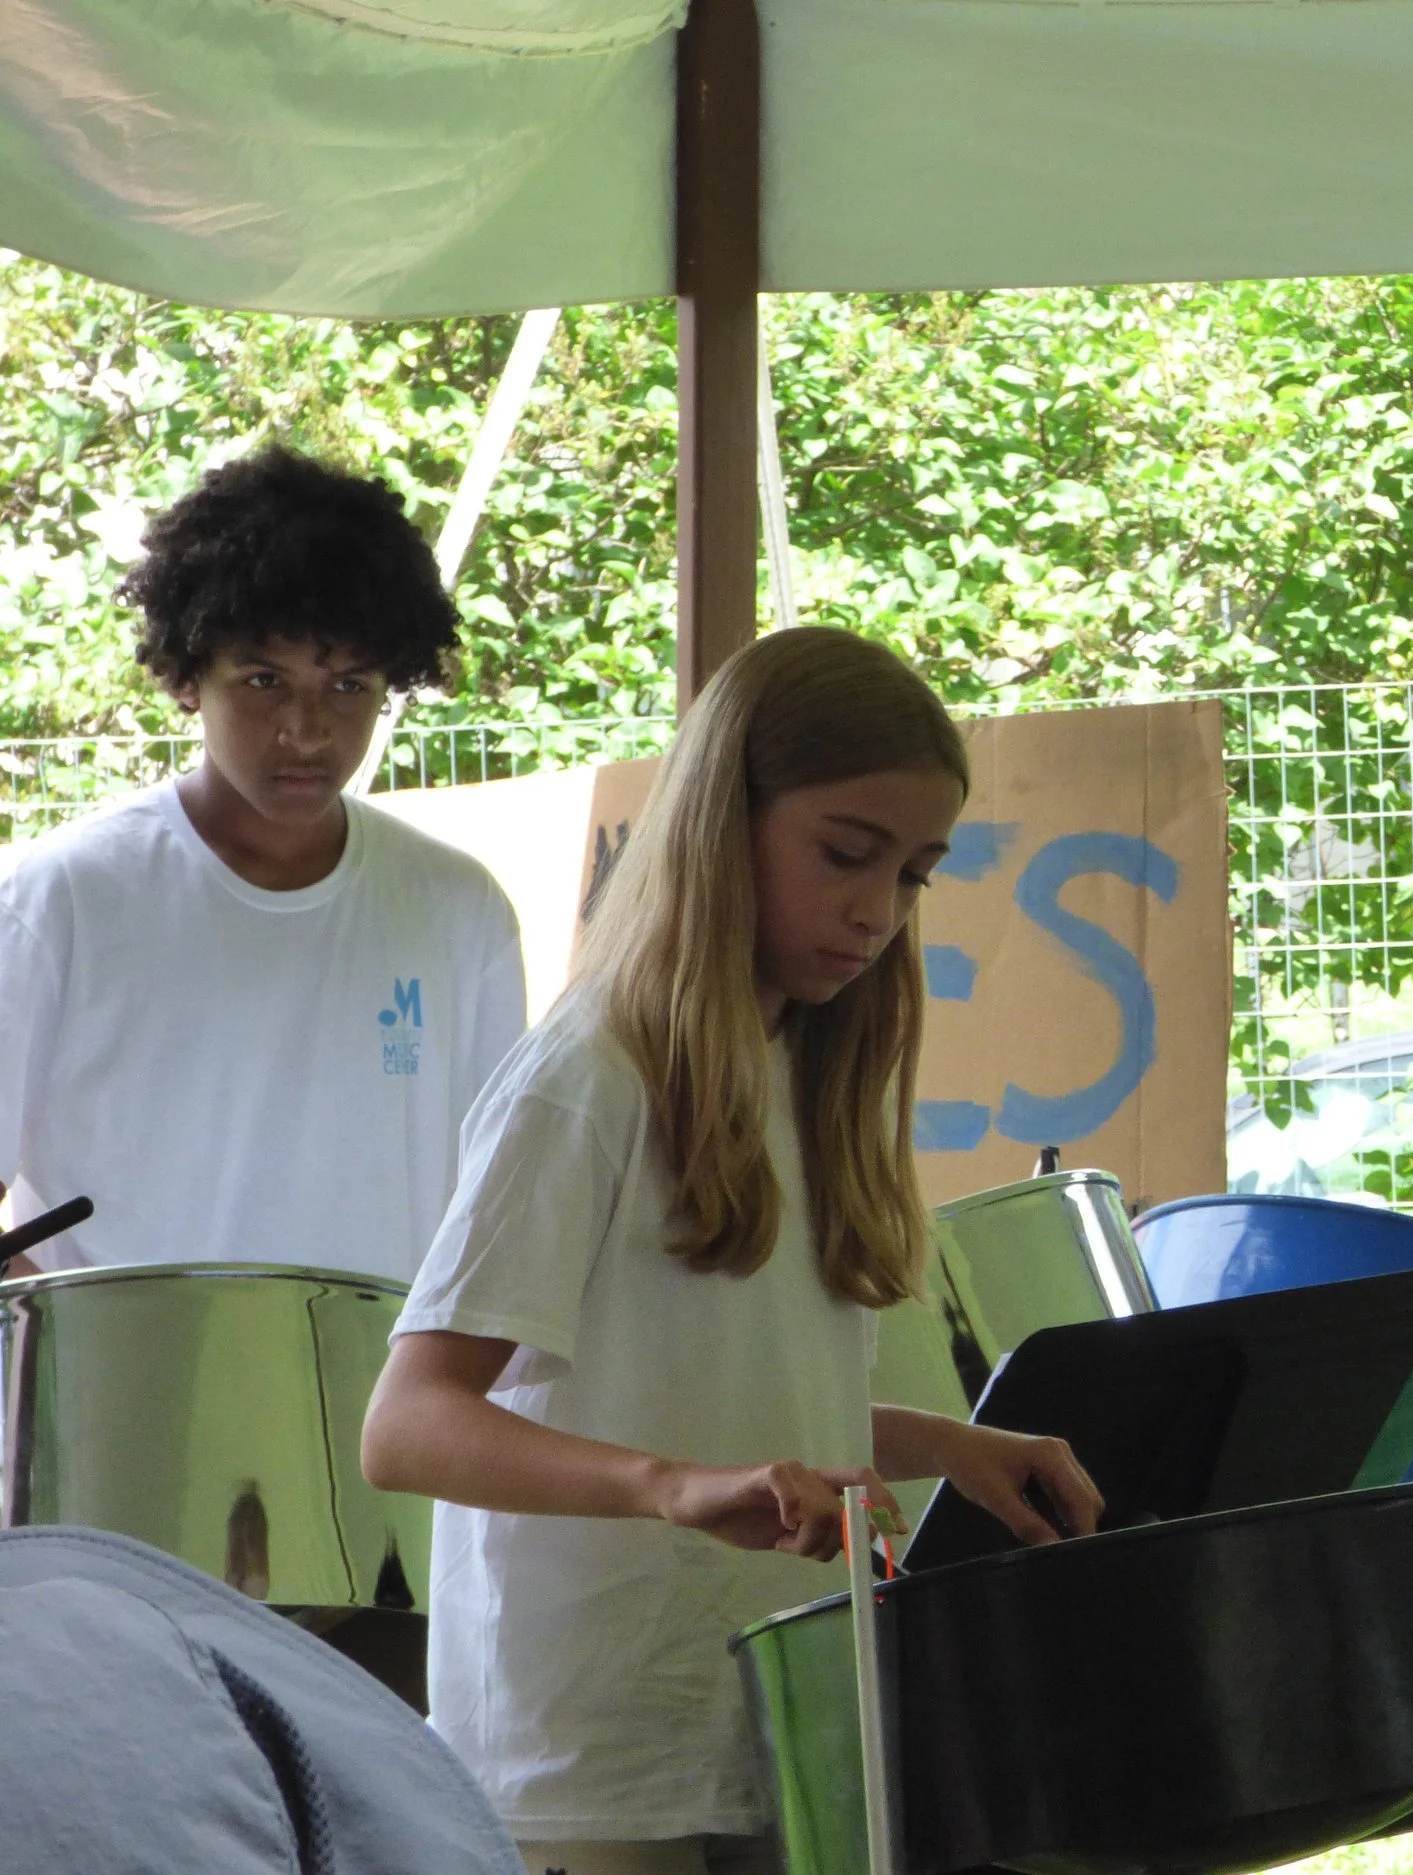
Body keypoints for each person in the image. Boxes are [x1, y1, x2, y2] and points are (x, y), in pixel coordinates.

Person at [360, 627, 1103, 1875]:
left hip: (777, 1715)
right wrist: (669, 1487)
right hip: (587, 1758)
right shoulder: (587, 1081)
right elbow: (410, 1424)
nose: (877, 911)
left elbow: (739, 1399)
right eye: (845, 854)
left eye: (916, 874)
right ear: (720, 822)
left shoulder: (818, 1071)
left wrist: (948, 1446)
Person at [0, 443, 524, 1280]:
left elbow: (506, 1205)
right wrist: (60, 1347)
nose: (308, 730)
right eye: (262, 681)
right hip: (110, 1401)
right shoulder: (61, 897)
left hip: (369, 1404)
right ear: (185, 675)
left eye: (349, 686)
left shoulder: (460, 909)